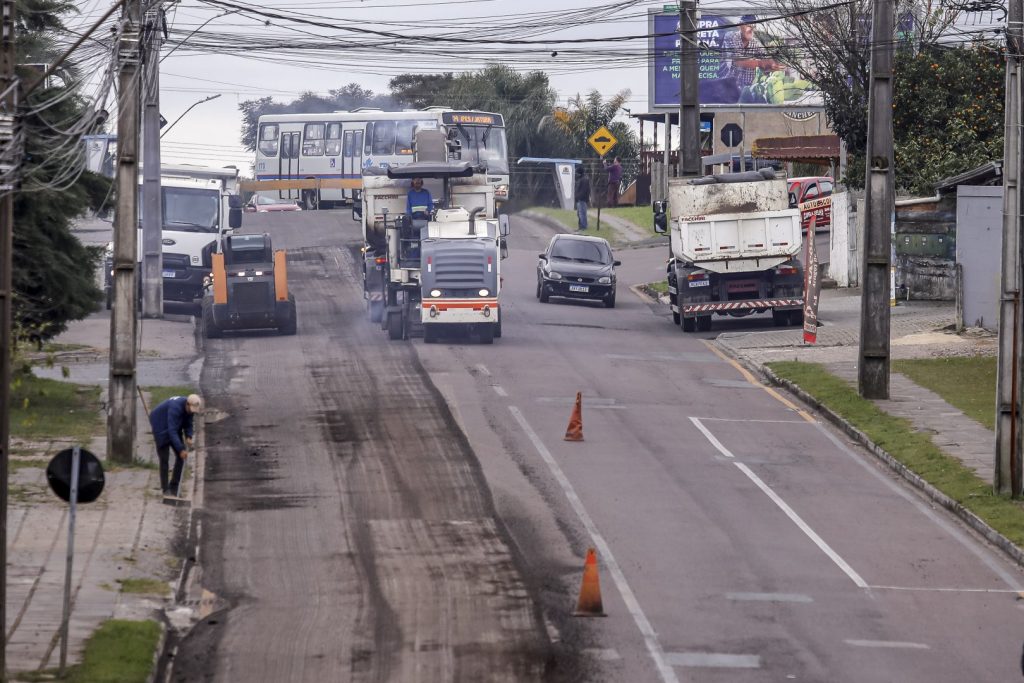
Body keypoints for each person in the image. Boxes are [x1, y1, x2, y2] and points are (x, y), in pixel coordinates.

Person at [149, 393, 202, 495]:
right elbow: (172, 431)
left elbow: (188, 424)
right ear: (187, 404)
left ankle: (174, 486)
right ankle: (165, 489)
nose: (191, 412)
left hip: (173, 426)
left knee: (181, 458)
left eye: (193, 411)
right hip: (160, 425)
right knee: (164, 459)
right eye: (190, 410)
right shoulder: (175, 408)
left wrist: (189, 436)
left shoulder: (189, 410)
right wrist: (181, 449)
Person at [720, 16, 780, 90]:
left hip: (748, 90)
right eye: (748, 25)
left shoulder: (756, 43)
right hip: (728, 88)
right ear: (740, 26)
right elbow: (737, 61)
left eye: (754, 26)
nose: (751, 29)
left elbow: (766, 57)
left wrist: (773, 63)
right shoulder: (730, 36)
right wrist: (760, 63)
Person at [574, 166, 591, 231]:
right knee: (579, 214)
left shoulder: (584, 179)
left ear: (579, 173)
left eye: (577, 173)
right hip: (580, 199)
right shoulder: (582, 179)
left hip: (582, 199)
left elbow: (583, 191)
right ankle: (581, 226)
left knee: (582, 213)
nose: (576, 174)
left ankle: (583, 227)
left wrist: (578, 197)